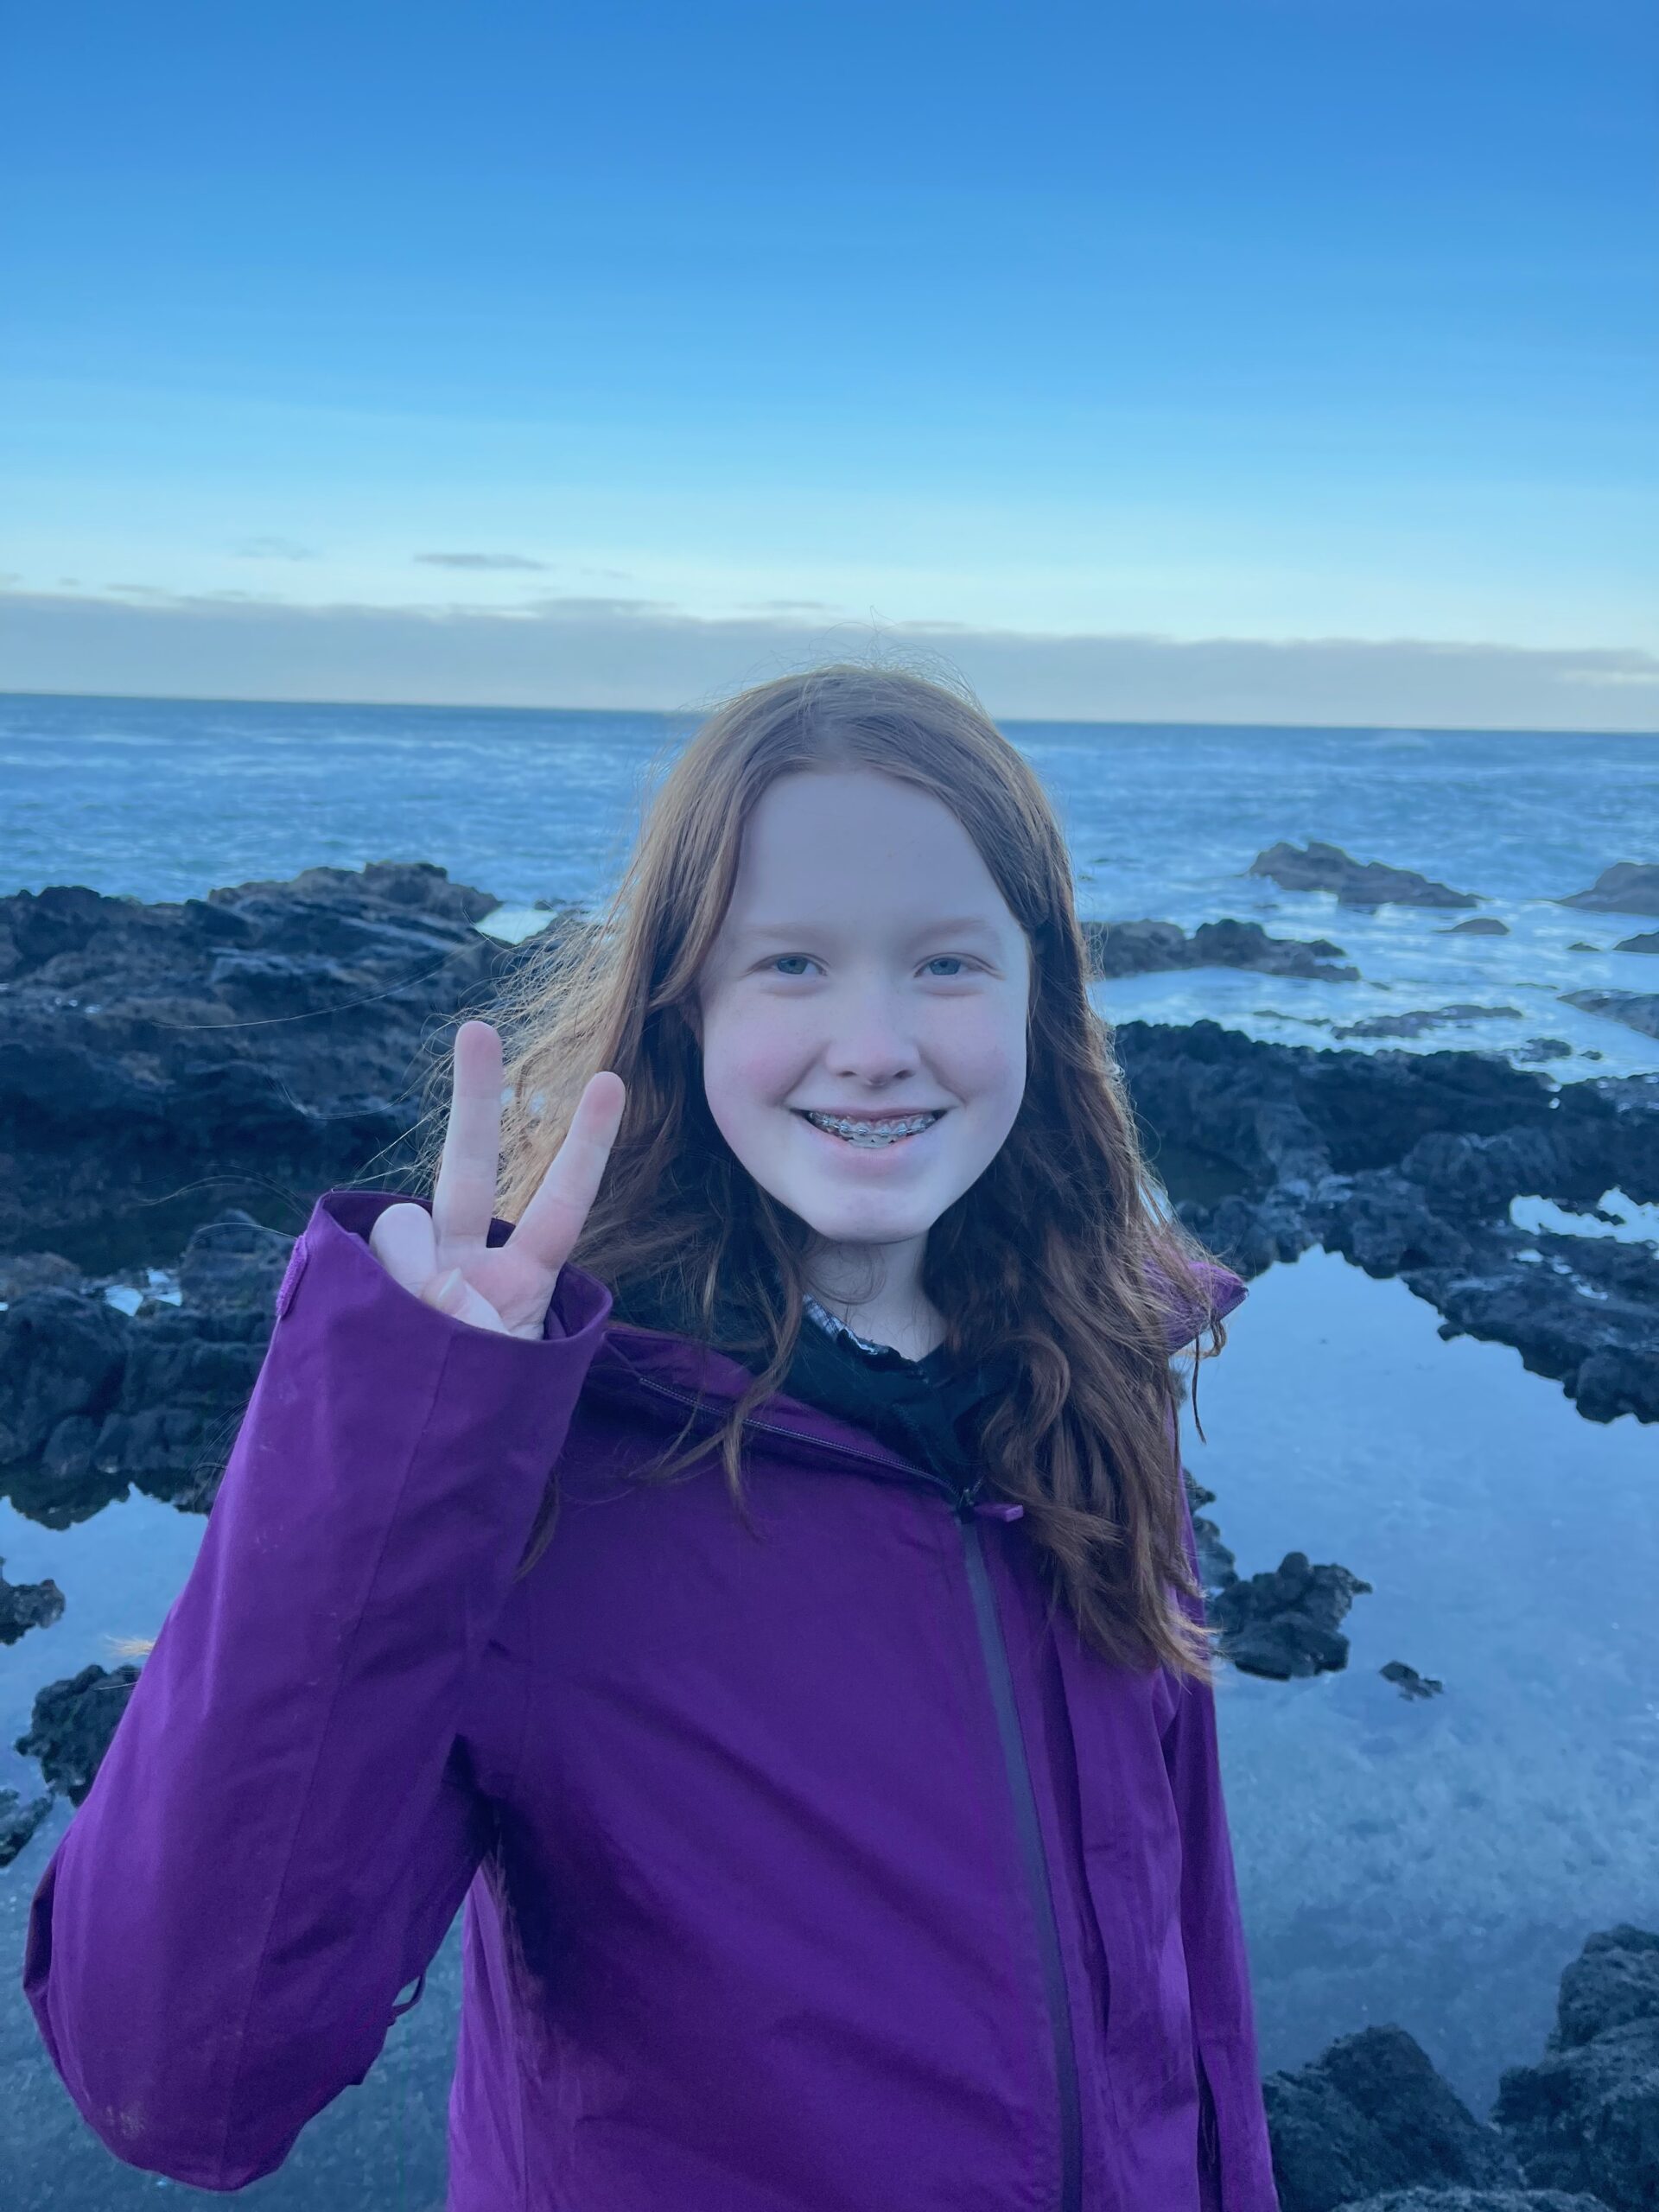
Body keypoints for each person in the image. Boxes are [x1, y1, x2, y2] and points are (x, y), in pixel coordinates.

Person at [22, 662, 1281, 2210]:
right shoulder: (534, 1456)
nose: (876, 1043)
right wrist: (392, 1444)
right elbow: (177, 2081)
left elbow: (1188, 1966)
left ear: (1043, 993)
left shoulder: (1100, 1381)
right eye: (794, 966)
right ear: (686, 1007)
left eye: (948, 963)